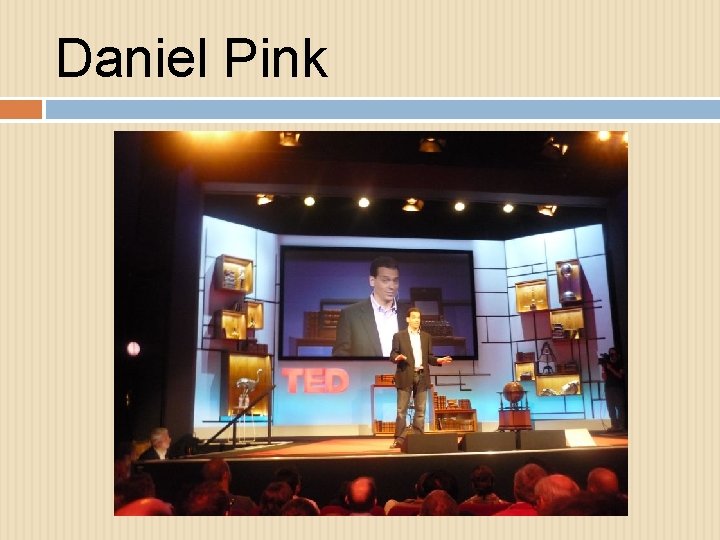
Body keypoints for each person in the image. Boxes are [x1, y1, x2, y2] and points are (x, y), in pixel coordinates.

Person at [389, 307, 452, 448]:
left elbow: (429, 357)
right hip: (405, 374)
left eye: (418, 317)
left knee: (421, 411)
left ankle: (417, 438)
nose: (416, 320)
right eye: (413, 317)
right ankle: (399, 439)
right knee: (401, 411)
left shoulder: (426, 336)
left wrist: (438, 360)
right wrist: (397, 357)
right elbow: (393, 354)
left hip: (422, 376)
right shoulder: (399, 336)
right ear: (407, 319)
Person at [333, 256, 403, 357]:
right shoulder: (350, 315)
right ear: (372, 280)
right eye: (385, 280)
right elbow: (340, 357)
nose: (392, 286)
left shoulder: (409, 314)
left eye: (395, 281)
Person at [601, 347, 627, 432]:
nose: (612, 356)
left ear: (617, 355)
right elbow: (604, 378)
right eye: (611, 354)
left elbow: (620, 376)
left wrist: (610, 368)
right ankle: (614, 425)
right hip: (608, 388)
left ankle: (621, 425)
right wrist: (603, 368)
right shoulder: (607, 364)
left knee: (620, 407)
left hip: (618, 388)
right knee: (610, 407)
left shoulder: (620, 363)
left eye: (614, 354)